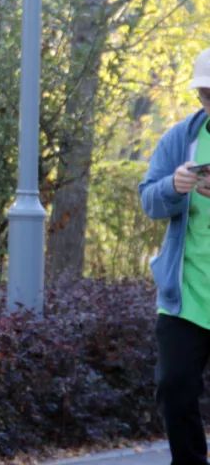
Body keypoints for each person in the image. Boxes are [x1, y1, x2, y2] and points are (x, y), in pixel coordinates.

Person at [140, 47, 210, 465]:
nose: (208, 102)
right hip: (185, 297)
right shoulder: (180, 139)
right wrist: (174, 186)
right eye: (204, 94)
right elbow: (149, 201)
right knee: (173, 388)